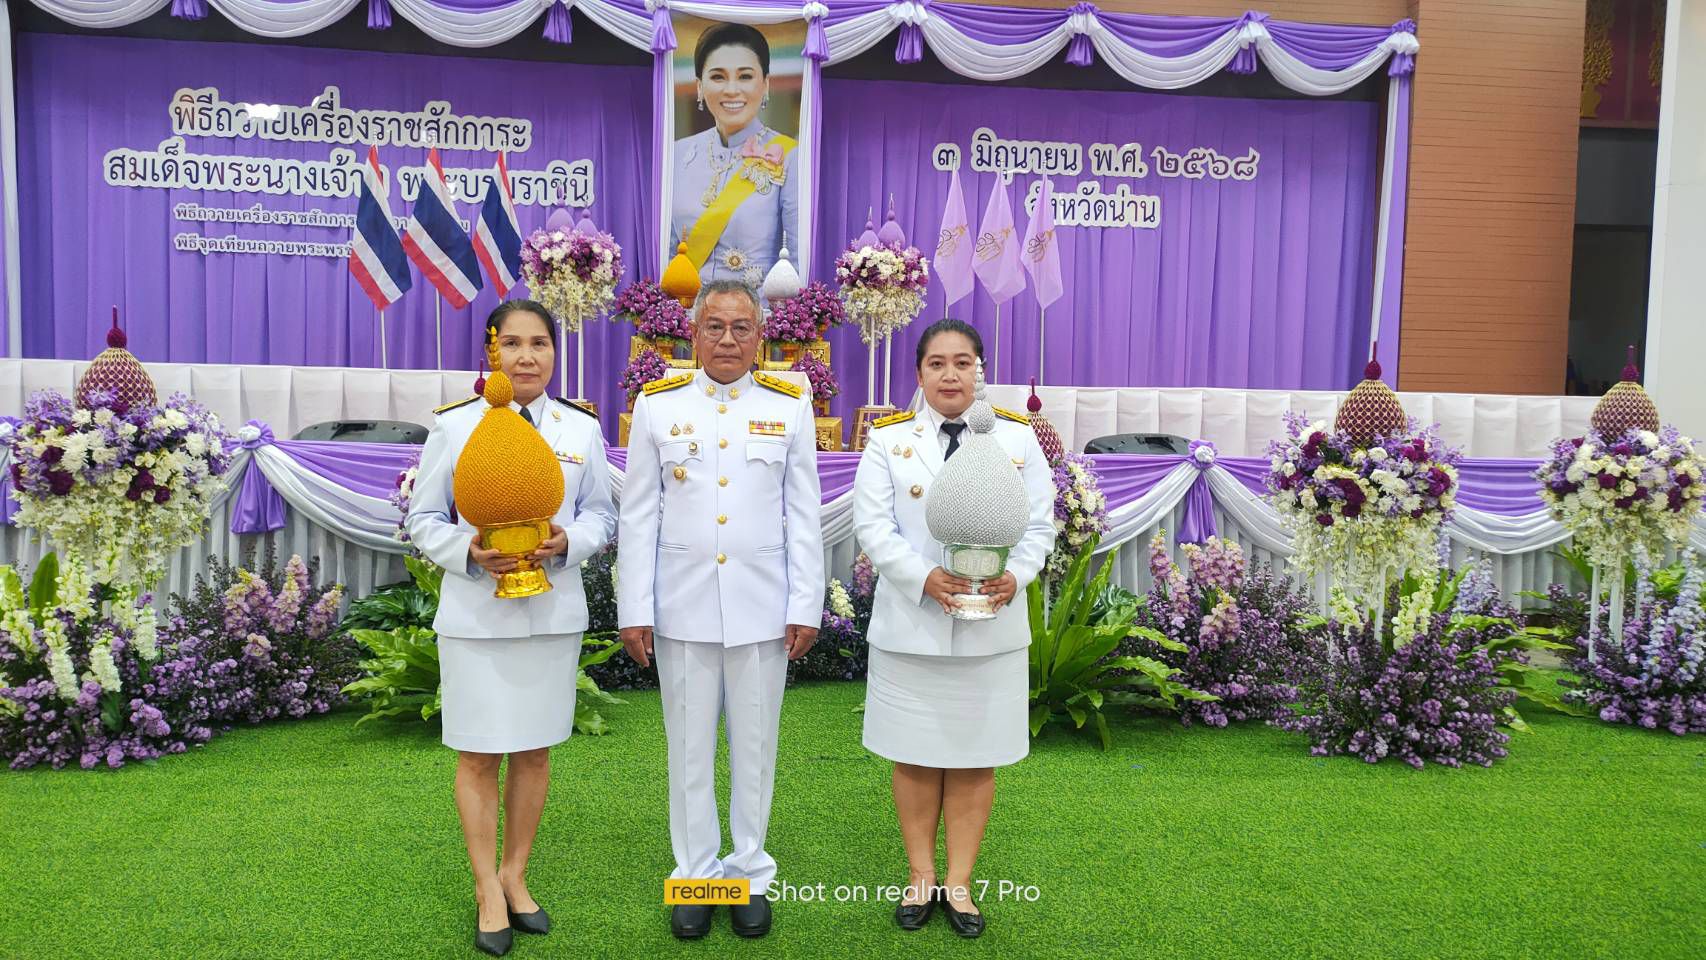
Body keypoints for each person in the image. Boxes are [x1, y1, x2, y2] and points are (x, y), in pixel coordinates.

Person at [405, 300, 617, 957]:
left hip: (551, 614)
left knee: (533, 750)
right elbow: (424, 520)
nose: (527, 357)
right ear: (491, 354)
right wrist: (469, 553)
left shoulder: (579, 429)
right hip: (475, 616)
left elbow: (603, 517)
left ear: (555, 353)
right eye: (512, 345)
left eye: (539, 344)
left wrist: (566, 543)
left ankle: (515, 875)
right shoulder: (456, 426)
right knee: (477, 753)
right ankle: (484, 889)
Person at [617, 280, 823, 940]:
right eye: (714, 326)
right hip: (682, 607)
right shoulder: (657, 405)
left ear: (761, 336)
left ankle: (749, 874)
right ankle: (698, 875)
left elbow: (804, 516)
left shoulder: (789, 405)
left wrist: (806, 604)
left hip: (763, 607)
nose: (728, 339)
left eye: (741, 327)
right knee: (689, 750)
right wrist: (634, 607)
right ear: (693, 334)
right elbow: (639, 514)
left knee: (756, 747)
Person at [851, 319, 1056, 939]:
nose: (950, 375)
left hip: (990, 631)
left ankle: (960, 886)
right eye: (937, 364)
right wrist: (922, 577)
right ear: (919, 374)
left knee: (975, 759)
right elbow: (874, 527)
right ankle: (919, 877)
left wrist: (1014, 578)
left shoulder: (1017, 441)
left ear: (980, 371)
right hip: (912, 626)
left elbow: (1040, 527)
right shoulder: (888, 441)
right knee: (915, 757)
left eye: (962, 363)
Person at [671, 22, 799, 289]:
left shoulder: (790, 156)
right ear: (699, 86)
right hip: (685, 318)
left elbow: (796, 258)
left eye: (745, 76)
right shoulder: (676, 154)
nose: (731, 89)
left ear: (765, 85)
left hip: (757, 319)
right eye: (718, 77)